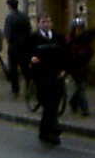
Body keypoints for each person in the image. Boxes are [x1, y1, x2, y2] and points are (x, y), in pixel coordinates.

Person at [29, 13, 68, 146]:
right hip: (41, 76)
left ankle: (45, 131)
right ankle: (53, 128)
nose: (46, 24)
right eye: (44, 22)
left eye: (48, 21)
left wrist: (64, 70)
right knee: (47, 103)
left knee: (54, 103)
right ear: (39, 23)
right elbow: (24, 52)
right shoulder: (33, 38)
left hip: (56, 74)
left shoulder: (58, 37)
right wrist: (31, 58)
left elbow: (65, 54)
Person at [2, 0, 32, 97]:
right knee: (25, 67)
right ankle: (29, 84)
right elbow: (29, 30)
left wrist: (8, 40)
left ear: (10, 6)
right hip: (25, 45)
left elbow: (7, 33)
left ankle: (15, 89)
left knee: (13, 68)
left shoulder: (10, 17)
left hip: (14, 46)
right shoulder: (25, 16)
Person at [67, 18, 94, 116]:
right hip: (74, 67)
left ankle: (73, 101)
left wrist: (84, 54)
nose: (79, 31)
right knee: (81, 87)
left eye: (81, 29)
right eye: (77, 29)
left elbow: (91, 51)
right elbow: (67, 53)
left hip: (84, 66)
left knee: (81, 87)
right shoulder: (70, 40)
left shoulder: (86, 39)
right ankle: (84, 108)